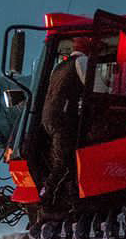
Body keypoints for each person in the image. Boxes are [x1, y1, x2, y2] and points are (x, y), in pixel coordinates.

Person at [38, 36, 91, 207]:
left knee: (60, 159)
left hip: (49, 117)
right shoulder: (82, 61)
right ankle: (49, 199)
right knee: (65, 163)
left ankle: (63, 197)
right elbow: (95, 88)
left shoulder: (60, 66)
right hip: (64, 118)